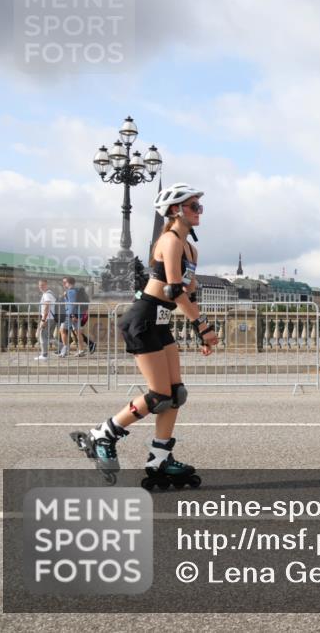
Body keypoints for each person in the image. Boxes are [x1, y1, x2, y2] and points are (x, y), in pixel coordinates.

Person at [70, 183, 219, 488]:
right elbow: (174, 290)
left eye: (199, 206)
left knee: (176, 394)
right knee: (159, 395)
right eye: (194, 206)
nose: (199, 211)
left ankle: (160, 458)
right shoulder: (170, 239)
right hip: (143, 319)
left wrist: (200, 330)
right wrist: (202, 326)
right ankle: (103, 434)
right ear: (176, 210)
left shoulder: (191, 247)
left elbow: (190, 292)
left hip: (160, 322)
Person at [34, 279, 56, 361]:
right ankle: (63, 347)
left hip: (48, 318)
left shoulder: (47, 294)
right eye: (40, 285)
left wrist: (43, 320)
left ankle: (44, 355)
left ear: (47, 285)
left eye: (43, 285)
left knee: (42, 335)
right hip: (51, 318)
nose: (41, 287)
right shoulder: (50, 293)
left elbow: (47, 306)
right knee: (49, 337)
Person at [56, 277, 77, 357]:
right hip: (69, 313)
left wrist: (72, 315)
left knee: (63, 330)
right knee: (65, 330)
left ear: (69, 283)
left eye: (65, 282)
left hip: (69, 314)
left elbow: (72, 304)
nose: (64, 284)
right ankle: (65, 350)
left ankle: (65, 350)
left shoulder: (71, 292)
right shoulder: (70, 291)